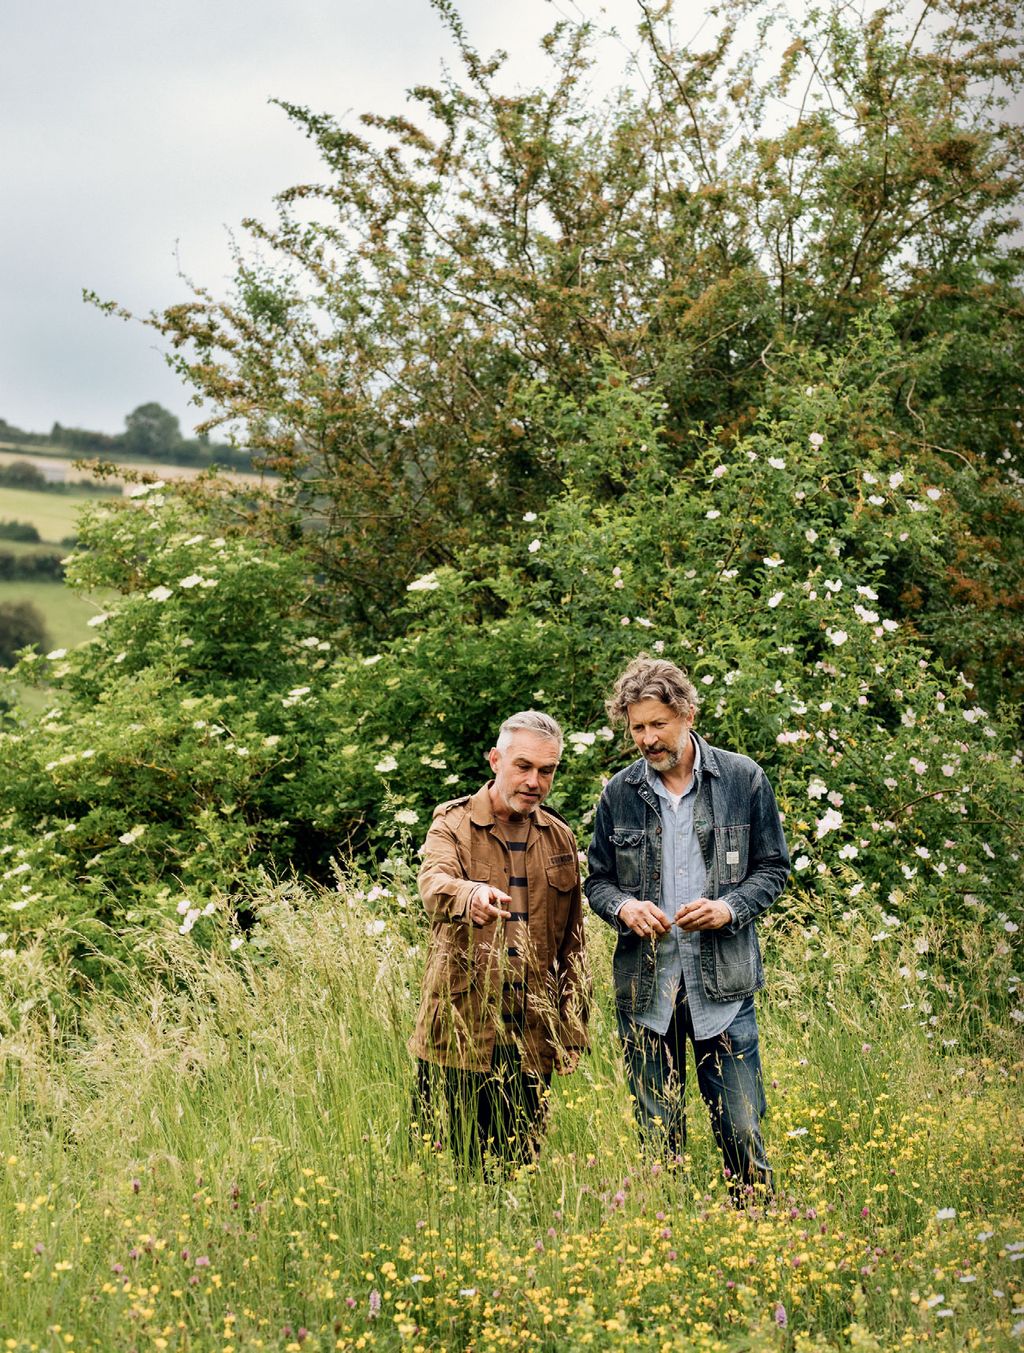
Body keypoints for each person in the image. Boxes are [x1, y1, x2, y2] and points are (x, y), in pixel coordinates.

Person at [585, 654, 789, 1200]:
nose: (648, 739)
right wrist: (624, 908)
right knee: (659, 1141)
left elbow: (773, 869)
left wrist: (729, 909)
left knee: (742, 1130)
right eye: (637, 728)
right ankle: (667, 1236)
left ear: (688, 714)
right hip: (647, 989)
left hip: (721, 988)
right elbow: (598, 882)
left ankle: (761, 1233)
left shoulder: (743, 779)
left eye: (658, 724)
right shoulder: (619, 793)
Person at [410, 710, 589, 1167]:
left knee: (516, 1171)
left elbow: (573, 947)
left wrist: (570, 1028)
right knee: (444, 1172)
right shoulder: (452, 824)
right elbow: (434, 884)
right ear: (496, 759)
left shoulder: (560, 838)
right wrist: (470, 896)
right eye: (523, 766)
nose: (534, 780)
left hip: (530, 1038)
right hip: (459, 1031)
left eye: (546, 770)